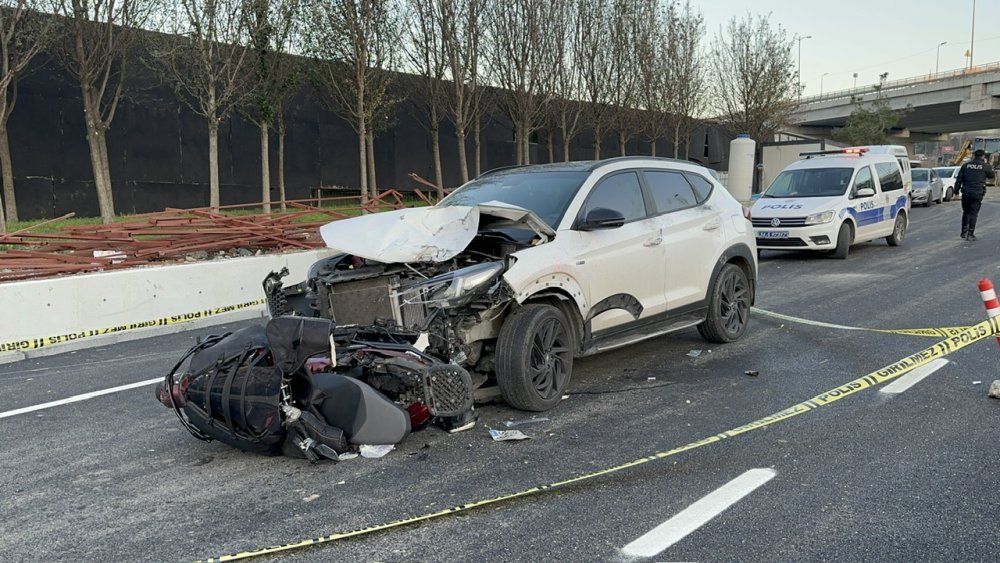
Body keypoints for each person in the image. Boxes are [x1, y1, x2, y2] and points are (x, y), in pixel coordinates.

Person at [954, 149, 995, 241]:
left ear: (974, 156)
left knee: (966, 212)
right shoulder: (985, 166)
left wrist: (956, 192)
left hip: (966, 192)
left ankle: (963, 232)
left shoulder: (965, 166)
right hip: (977, 192)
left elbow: (959, 180)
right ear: (983, 156)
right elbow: (991, 176)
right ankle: (970, 234)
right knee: (973, 213)